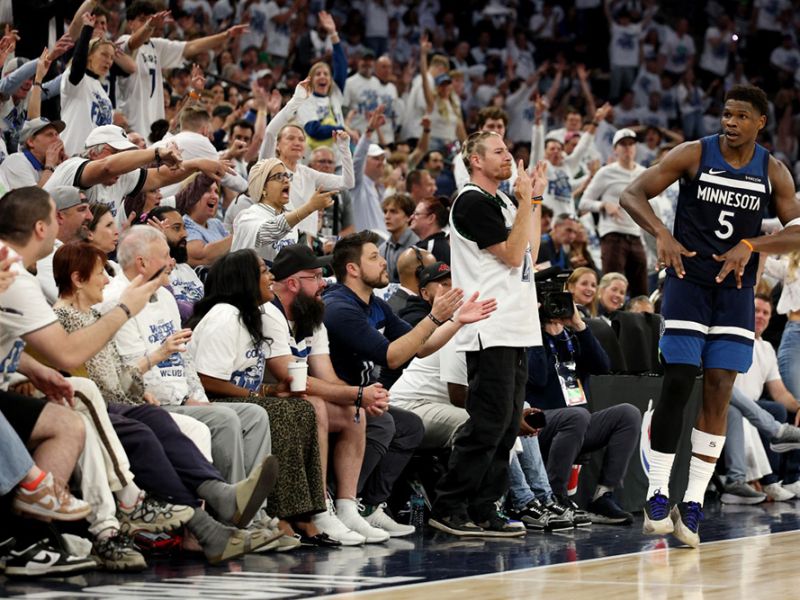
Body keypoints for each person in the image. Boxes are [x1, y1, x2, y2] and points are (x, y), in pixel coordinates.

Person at [620, 84, 800, 547]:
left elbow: (798, 229)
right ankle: (658, 490)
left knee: (720, 390)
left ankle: (694, 501)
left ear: (761, 122)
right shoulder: (694, 153)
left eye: (741, 116)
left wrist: (752, 244)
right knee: (679, 380)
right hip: (688, 281)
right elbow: (632, 194)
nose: (731, 122)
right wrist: (661, 233)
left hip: (735, 293)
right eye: (726, 114)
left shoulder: (773, 171)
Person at [52, 241, 280, 564]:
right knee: (143, 432)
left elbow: (120, 376)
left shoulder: (91, 316)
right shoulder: (61, 319)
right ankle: (207, 523)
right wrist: (151, 363)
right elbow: (95, 383)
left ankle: (221, 497)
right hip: (92, 405)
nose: (106, 279)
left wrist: (141, 382)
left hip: (116, 402)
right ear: (78, 279)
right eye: (100, 272)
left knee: (155, 419)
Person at [324, 231, 497, 537]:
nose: (383, 262)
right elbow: (392, 356)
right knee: (385, 424)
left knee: (409, 426)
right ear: (352, 269)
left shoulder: (376, 304)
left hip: (363, 398)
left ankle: (370, 506)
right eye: (374, 257)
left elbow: (421, 346)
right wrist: (435, 317)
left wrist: (457, 320)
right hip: (335, 395)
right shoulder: (339, 307)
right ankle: (341, 502)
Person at [429, 129, 547, 537]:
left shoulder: (501, 201)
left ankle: (484, 507)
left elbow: (529, 252)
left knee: (508, 425)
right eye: (498, 151)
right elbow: (512, 255)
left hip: (515, 326)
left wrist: (533, 202)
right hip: (490, 326)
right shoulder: (471, 201)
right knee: (487, 424)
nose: (508, 156)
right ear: (475, 160)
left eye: (507, 150)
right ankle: (449, 505)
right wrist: (525, 202)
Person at [187, 249, 325, 550]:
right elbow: (206, 379)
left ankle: (305, 512)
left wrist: (270, 391)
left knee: (301, 409)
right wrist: (260, 394)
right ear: (245, 279)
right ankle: (275, 514)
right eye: (264, 271)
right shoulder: (225, 316)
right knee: (280, 413)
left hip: (238, 401)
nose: (271, 276)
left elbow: (243, 376)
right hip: (208, 402)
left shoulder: (251, 316)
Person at [267, 244, 398, 542]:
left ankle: (347, 507)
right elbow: (292, 378)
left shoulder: (312, 315)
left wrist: (359, 397)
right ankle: (319, 508)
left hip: (294, 400)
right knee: (316, 406)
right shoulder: (270, 314)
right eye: (315, 276)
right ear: (293, 283)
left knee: (354, 413)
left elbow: (326, 375)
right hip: (265, 397)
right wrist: (357, 393)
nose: (324, 283)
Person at [527, 302, 641, 525]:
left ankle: (603, 496)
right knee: (577, 416)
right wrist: (540, 332)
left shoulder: (571, 337)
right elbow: (537, 377)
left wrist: (579, 326)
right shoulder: (528, 336)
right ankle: (554, 497)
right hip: (536, 423)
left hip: (577, 424)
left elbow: (602, 366)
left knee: (629, 414)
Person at [721, 294, 800, 504]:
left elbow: (780, 392)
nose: (760, 316)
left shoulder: (767, 349)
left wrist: (799, 407)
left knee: (779, 409)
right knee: (743, 411)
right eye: (756, 310)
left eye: (765, 313)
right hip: (725, 402)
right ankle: (767, 480)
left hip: (751, 406)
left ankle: (781, 478)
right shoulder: (734, 337)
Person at [579, 128, 649, 297]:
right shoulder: (606, 172)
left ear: (636, 147)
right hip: (613, 236)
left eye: (631, 144)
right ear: (615, 149)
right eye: (623, 144)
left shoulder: (643, 173)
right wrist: (604, 205)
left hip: (636, 235)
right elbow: (583, 203)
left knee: (641, 290)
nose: (628, 148)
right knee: (611, 287)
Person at [231, 158, 334, 263]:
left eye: (287, 176)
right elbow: (269, 231)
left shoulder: (291, 221)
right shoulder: (246, 217)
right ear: (263, 187)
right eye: (279, 177)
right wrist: (309, 207)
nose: (286, 180)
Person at [60, 14, 114, 156]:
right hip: (71, 156)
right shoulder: (78, 79)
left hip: (94, 160)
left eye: (112, 57)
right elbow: (78, 64)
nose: (109, 61)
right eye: (104, 54)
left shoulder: (103, 92)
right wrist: (87, 30)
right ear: (89, 55)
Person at [175, 174, 232, 267]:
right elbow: (202, 256)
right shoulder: (185, 223)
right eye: (207, 191)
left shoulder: (216, 223)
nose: (215, 196)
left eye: (216, 191)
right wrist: (238, 234)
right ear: (191, 194)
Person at [0, 117, 66, 189]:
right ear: (31, 142)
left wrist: (65, 166)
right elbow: (34, 195)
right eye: (50, 135)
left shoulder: (49, 166)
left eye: (57, 134)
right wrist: (49, 167)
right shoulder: (15, 161)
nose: (58, 140)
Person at [381, 194, 419, 283]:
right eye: (385, 212)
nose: (387, 216)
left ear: (408, 217)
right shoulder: (382, 248)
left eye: (393, 212)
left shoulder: (419, 244)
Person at [412, 197, 450, 265]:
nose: (412, 217)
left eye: (416, 214)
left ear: (431, 218)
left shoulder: (430, 249)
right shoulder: (439, 244)